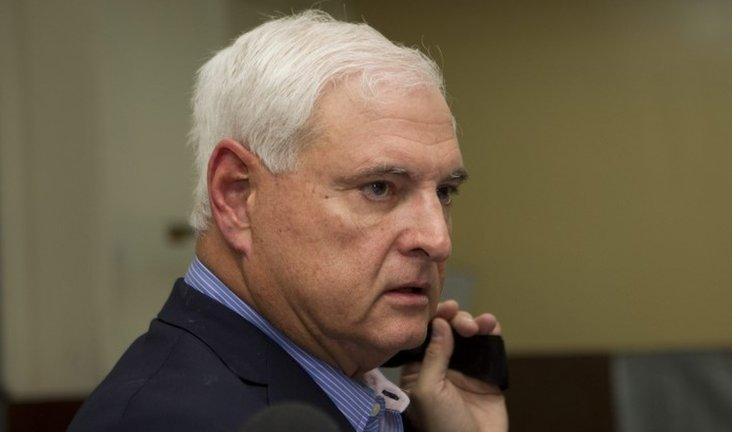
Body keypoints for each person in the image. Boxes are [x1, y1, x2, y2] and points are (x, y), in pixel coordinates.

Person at [69, 10, 507, 432]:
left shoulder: (365, 394)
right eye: (379, 187)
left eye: (445, 192)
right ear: (237, 195)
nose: (437, 240)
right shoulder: (163, 421)